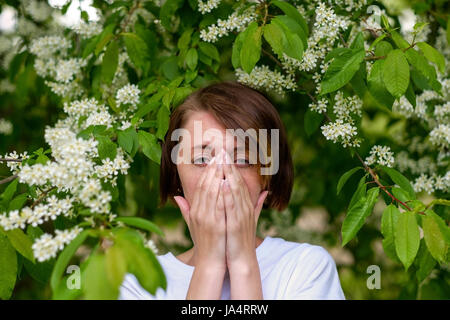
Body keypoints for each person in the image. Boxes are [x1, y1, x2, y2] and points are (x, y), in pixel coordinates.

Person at [119, 81, 345, 300]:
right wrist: (209, 266)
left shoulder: (305, 269)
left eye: (243, 159)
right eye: (201, 159)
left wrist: (243, 264)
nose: (223, 175)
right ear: (176, 173)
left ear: (266, 176)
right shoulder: (139, 284)